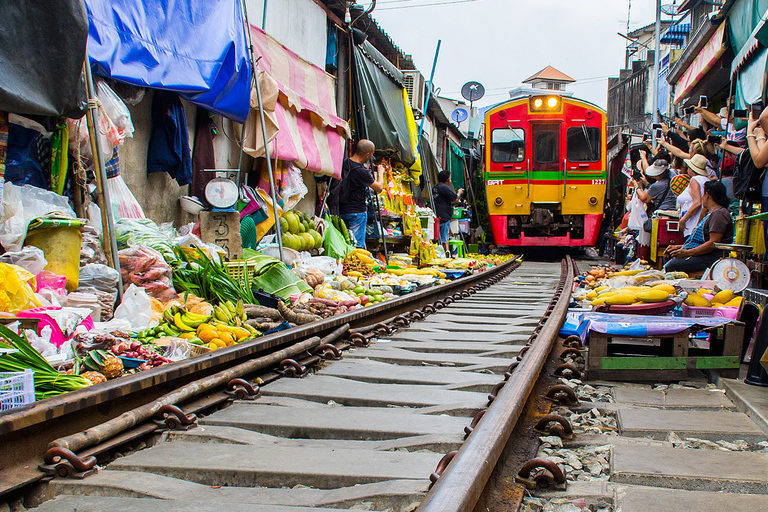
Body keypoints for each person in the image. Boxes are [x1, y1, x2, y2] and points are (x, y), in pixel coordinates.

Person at [664, 181, 733, 273]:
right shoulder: (712, 213)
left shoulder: (719, 214)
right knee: (668, 256)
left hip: (711, 257)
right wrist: (679, 247)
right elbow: (700, 242)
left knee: (673, 265)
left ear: (707, 195)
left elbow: (713, 243)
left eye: (703, 194)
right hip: (703, 254)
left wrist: (687, 253)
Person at [339, 139, 386, 249]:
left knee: (344, 244)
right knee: (356, 247)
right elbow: (379, 188)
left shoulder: (345, 163)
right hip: (357, 212)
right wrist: (380, 173)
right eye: (372, 154)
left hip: (342, 209)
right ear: (367, 154)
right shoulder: (361, 171)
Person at [677, 154, 710, 237]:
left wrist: (683, 220)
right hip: (700, 222)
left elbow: (697, 202)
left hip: (693, 224)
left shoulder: (694, 180)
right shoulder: (706, 180)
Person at [432, 170, 464, 254]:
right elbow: (455, 199)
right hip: (444, 215)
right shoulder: (445, 187)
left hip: (436, 214)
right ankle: (446, 252)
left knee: (438, 235)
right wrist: (459, 192)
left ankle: (442, 252)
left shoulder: (435, 187)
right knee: (444, 237)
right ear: (447, 179)